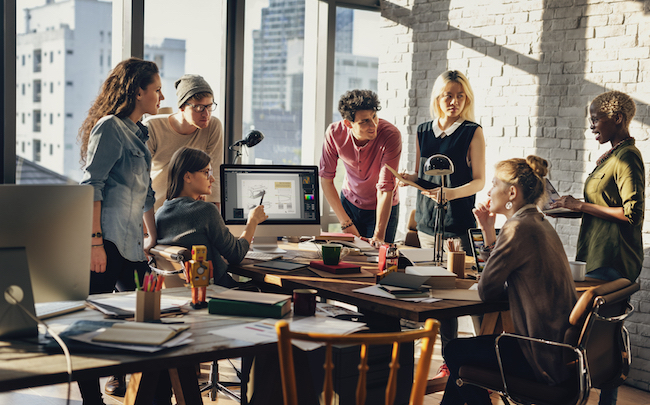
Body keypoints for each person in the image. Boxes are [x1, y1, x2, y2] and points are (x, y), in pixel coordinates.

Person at [441, 156, 577, 405]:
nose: (489, 191)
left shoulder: (516, 229)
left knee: (455, 351)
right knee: (462, 360)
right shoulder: (538, 222)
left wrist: (490, 237)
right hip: (558, 351)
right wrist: (488, 233)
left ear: (512, 192)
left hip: (538, 355)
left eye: (493, 184)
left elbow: (487, 290)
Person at [77, 58, 164, 404]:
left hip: (132, 244)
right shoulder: (110, 127)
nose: (159, 95)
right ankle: (91, 399)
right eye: (155, 89)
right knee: (87, 325)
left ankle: (149, 396)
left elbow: (146, 195)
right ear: (137, 91)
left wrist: (151, 236)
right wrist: (94, 242)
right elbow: (92, 186)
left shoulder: (140, 132)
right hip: (107, 241)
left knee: (149, 319)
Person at [550, 90, 644, 405]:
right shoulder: (611, 156)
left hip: (614, 260)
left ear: (616, 118)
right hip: (595, 257)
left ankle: (604, 400)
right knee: (596, 337)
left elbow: (632, 214)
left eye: (595, 118)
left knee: (600, 338)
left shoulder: (628, 157)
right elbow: (598, 206)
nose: (591, 126)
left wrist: (581, 205)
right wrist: (564, 207)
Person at [398, 70, 485, 378]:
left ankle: (468, 361)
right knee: (434, 293)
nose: (454, 101)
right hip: (426, 221)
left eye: (460, 96)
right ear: (438, 97)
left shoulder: (472, 131)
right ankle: (449, 358)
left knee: (456, 293)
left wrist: (449, 193)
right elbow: (427, 178)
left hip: (457, 221)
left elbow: (479, 182)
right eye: (448, 95)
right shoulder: (423, 130)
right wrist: (412, 180)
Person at [155, 146, 268, 288]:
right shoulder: (206, 211)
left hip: (185, 295)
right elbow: (236, 255)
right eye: (206, 173)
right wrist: (252, 221)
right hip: (219, 293)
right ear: (187, 176)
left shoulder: (160, 212)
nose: (212, 179)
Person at [319, 89, 401, 246]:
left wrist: (378, 235)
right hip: (350, 202)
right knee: (349, 257)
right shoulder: (334, 133)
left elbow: (385, 188)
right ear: (348, 124)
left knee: (379, 259)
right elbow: (326, 180)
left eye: (374, 117)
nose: (373, 125)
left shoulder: (391, 135)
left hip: (382, 207)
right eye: (365, 121)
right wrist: (346, 223)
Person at [145, 74, 224, 212]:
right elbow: (141, 179)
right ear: (182, 107)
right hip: (156, 210)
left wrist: (217, 221)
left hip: (191, 212)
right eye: (199, 108)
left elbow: (214, 173)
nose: (206, 114)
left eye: (209, 106)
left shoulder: (213, 126)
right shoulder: (152, 127)